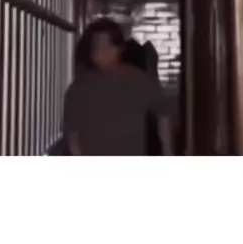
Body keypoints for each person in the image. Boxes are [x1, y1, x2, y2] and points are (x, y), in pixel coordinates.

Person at [64, 18, 173, 156]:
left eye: (108, 46)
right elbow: (73, 139)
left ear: (120, 48)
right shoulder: (78, 90)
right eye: (97, 47)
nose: (103, 52)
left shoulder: (138, 80)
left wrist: (168, 153)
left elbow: (163, 113)